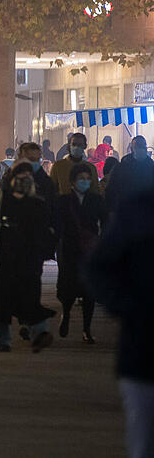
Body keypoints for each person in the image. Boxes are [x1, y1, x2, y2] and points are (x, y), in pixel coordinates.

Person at [87, 184, 154, 458]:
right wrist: (129, 306)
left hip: (140, 347)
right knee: (145, 440)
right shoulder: (140, 210)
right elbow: (98, 267)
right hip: (144, 350)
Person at [0, 160, 56, 353]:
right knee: (3, 298)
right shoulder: (1, 199)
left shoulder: (37, 203)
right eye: (20, 176)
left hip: (29, 258)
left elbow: (46, 229)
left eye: (28, 176)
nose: (24, 180)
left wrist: (44, 249)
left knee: (30, 296)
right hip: (4, 257)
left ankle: (39, 334)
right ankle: (4, 339)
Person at [53, 164, 106, 345]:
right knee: (68, 288)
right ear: (73, 181)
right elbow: (57, 224)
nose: (85, 182)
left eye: (87, 178)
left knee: (89, 290)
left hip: (89, 250)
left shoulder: (96, 200)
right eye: (81, 179)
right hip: (69, 249)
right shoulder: (63, 201)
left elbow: (104, 221)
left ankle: (86, 329)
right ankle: (66, 313)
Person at [105, 135, 154, 216]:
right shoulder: (121, 167)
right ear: (132, 149)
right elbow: (111, 189)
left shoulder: (151, 167)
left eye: (143, 146)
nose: (141, 148)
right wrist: (112, 210)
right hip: (125, 210)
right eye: (138, 146)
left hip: (146, 211)